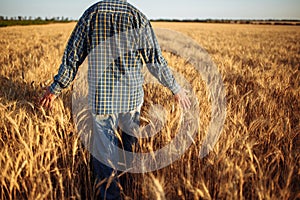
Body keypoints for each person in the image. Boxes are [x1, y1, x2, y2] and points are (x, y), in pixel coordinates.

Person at [39, 0, 191, 199]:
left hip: (102, 98)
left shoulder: (91, 14)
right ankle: (128, 187)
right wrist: (176, 89)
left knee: (104, 153)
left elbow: (72, 57)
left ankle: (111, 195)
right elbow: (155, 61)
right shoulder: (137, 17)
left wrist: (55, 89)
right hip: (131, 98)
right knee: (128, 149)